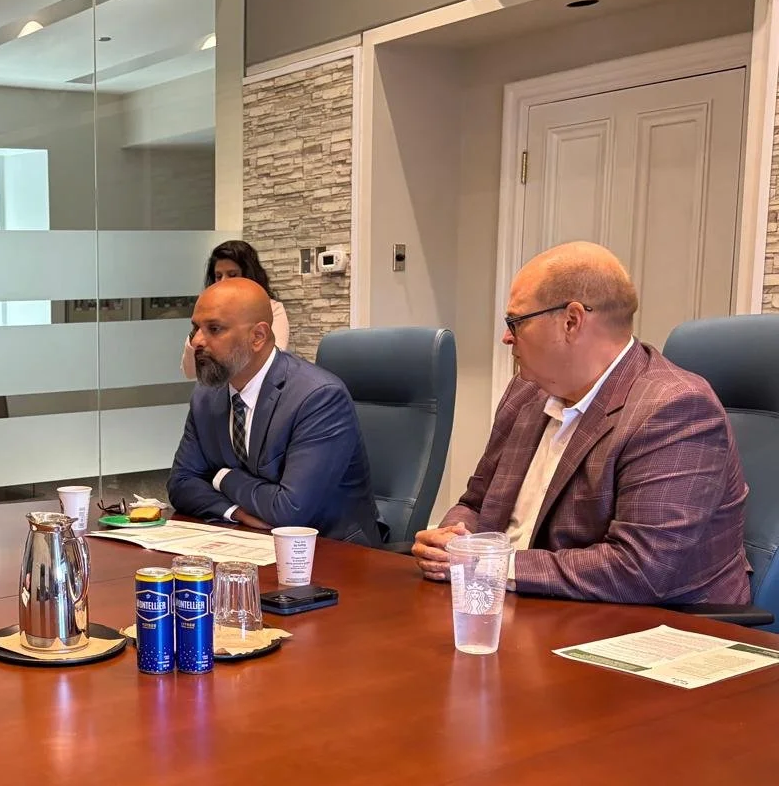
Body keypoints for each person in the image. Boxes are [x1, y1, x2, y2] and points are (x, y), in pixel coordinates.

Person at [413, 241, 750, 604]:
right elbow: (477, 503)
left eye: (516, 322)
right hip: (522, 605)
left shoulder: (675, 408)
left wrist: (487, 564)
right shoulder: (527, 390)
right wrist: (451, 538)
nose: (507, 337)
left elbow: (639, 570)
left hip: (653, 629)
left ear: (571, 320)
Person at [169, 278, 387, 545]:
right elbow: (180, 484)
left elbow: (290, 512)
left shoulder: (318, 397)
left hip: (334, 556)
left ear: (257, 337)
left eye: (214, 329)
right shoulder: (207, 395)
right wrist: (235, 512)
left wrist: (222, 477)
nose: (197, 342)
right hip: (249, 544)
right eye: (195, 328)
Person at [181, 240, 290, 378]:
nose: (223, 282)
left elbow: (271, 365)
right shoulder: (206, 315)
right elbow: (190, 372)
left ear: (249, 276)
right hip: (216, 391)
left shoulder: (272, 309)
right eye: (218, 276)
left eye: (232, 275)